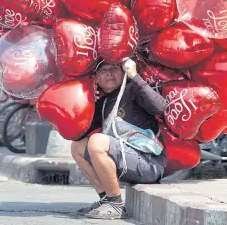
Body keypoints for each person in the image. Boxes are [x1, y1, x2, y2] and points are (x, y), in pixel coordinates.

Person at [71, 60, 167, 220]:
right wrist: (85, 102)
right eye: (103, 70)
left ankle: (115, 203)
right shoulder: (102, 104)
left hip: (150, 163)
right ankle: (105, 199)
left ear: (123, 73)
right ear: (96, 79)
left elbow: (160, 107)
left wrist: (134, 76)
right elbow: (78, 135)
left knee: (97, 141)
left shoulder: (132, 89)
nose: (108, 73)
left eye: (113, 69)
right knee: (77, 147)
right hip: (127, 161)